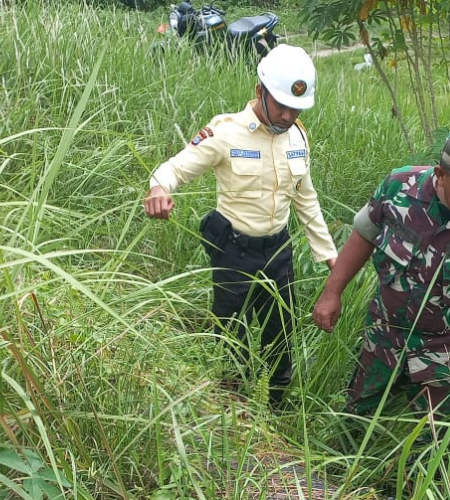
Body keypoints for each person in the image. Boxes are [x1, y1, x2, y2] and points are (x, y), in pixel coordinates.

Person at [144, 44, 338, 406]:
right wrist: (159, 188)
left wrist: (330, 257)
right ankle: (232, 406)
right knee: (231, 334)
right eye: (280, 105)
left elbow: (306, 199)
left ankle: (275, 407)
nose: (287, 115)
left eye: (296, 108)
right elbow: (175, 168)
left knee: (281, 334)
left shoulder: (297, 136)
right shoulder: (226, 132)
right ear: (260, 91)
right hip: (234, 252)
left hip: (278, 252)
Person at [312, 125, 450, 415]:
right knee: (356, 418)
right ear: (441, 175)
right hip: (383, 337)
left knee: (438, 436)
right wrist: (332, 291)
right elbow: (364, 234)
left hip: (447, 351)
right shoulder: (399, 188)